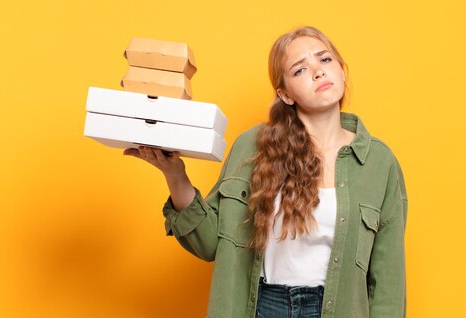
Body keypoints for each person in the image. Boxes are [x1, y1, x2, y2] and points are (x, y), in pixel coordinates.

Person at [124, 25, 408, 318]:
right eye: (299, 70)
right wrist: (175, 175)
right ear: (285, 94)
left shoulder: (378, 163)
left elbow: (388, 284)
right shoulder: (253, 146)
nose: (318, 72)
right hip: (263, 307)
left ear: (341, 70)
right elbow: (210, 244)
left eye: (325, 60)